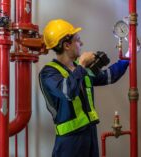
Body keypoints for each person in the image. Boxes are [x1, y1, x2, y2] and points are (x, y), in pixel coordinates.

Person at [39, 19, 129, 157]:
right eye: (78, 40)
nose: (81, 44)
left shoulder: (79, 69)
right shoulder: (48, 74)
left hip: (89, 135)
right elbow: (68, 92)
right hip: (69, 142)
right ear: (67, 45)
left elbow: (108, 76)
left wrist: (128, 57)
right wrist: (81, 65)